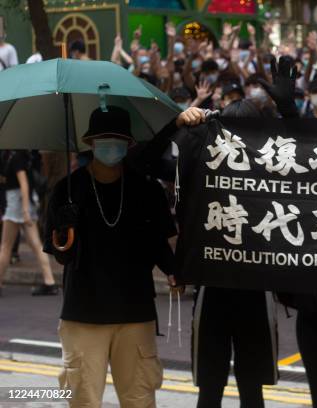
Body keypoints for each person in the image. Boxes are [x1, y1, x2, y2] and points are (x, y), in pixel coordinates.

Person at [43, 105, 205, 407]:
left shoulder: (146, 189)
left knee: (139, 399)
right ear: (90, 142)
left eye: (117, 139)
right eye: (103, 139)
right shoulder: (67, 190)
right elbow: (61, 257)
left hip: (135, 313)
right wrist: (65, 229)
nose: (110, 146)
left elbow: (158, 242)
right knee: (83, 399)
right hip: (83, 314)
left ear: (129, 144)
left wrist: (173, 271)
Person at [192, 100, 278, 408]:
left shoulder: (272, 167)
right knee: (210, 389)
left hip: (254, 291)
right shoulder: (202, 162)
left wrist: (287, 107)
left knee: (252, 389)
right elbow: (150, 162)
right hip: (213, 289)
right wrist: (186, 124)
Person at [0, 150, 56, 297]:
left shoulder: (16, 156)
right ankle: (49, 281)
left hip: (17, 203)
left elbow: (23, 183)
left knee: (6, 246)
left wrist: (24, 211)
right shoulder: (24, 155)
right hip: (26, 202)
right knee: (36, 245)